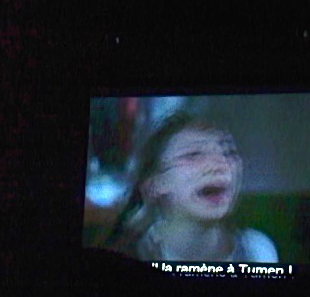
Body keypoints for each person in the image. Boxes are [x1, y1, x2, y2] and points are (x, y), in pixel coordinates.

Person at [111, 111, 278, 263]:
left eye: (229, 152)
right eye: (193, 155)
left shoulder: (257, 251)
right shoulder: (129, 253)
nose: (221, 165)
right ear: (154, 185)